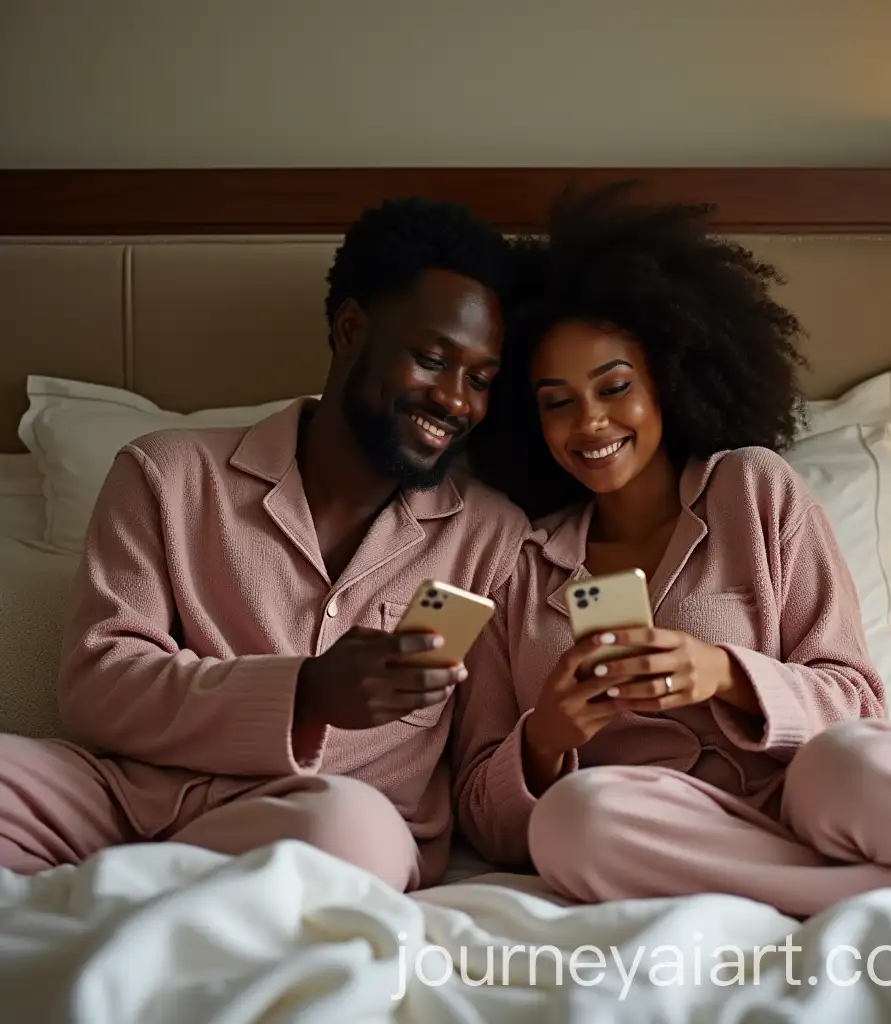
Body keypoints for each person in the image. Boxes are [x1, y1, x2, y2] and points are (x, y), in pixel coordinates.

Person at [454, 181, 891, 920]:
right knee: (574, 820)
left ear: (668, 379)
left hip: (810, 791)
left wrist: (725, 673)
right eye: (557, 401)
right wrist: (544, 741)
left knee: (848, 761)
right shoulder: (519, 566)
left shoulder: (752, 488)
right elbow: (482, 813)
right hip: (670, 831)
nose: (589, 422)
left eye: (614, 386)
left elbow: (856, 699)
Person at [0, 196, 531, 892]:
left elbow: (482, 781)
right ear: (348, 329)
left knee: (351, 834)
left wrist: (553, 743)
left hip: (324, 827)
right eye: (433, 359)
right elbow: (97, 686)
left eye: (481, 379)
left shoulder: (491, 539)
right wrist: (303, 693)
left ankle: (129, 897)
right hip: (123, 805)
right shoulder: (166, 473)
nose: (457, 401)